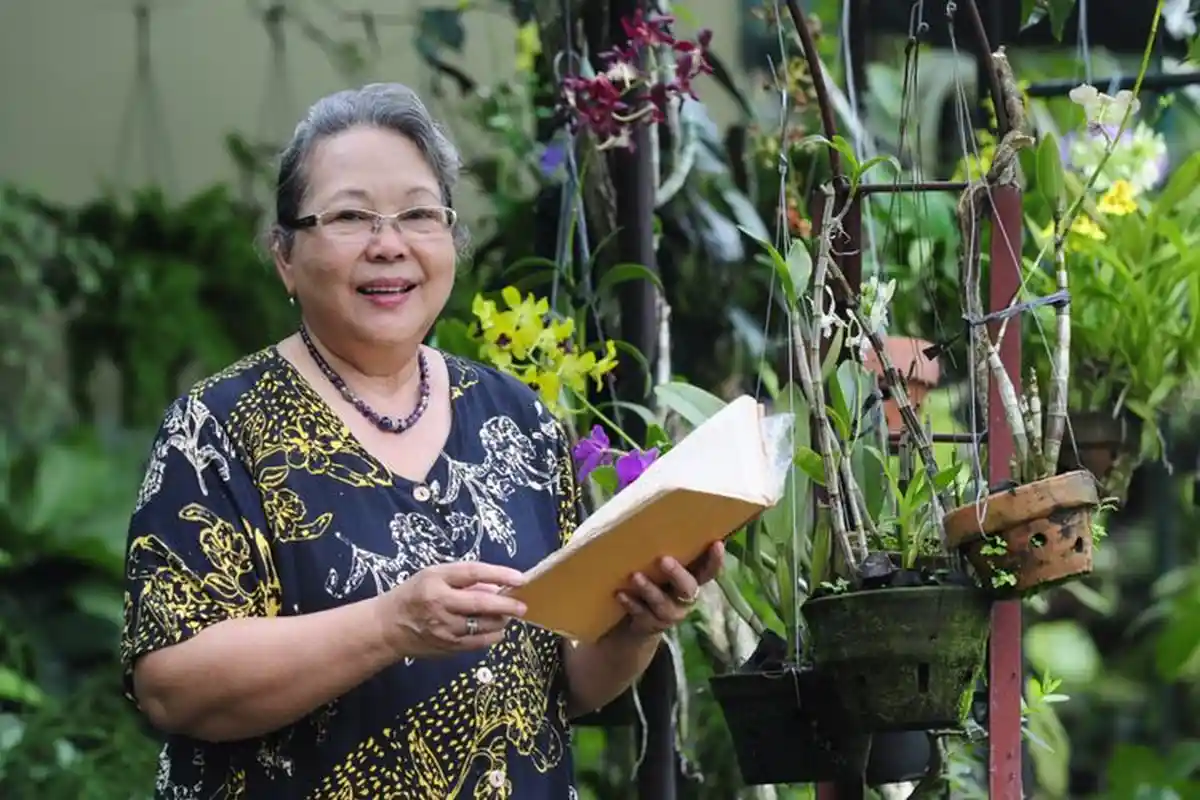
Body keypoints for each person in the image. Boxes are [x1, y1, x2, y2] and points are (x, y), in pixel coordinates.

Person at [119, 82, 725, 799]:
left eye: (417, 214)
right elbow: (172, 688)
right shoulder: (217, 430)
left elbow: (562, 683)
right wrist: (389, 624)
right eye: (349, 216)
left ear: (450, 244)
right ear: (285, 255)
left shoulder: (518, 421)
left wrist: (635, 628)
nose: (389, 245)